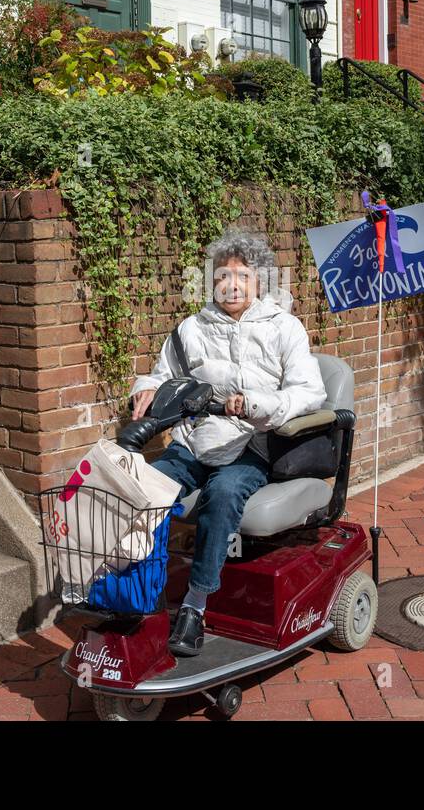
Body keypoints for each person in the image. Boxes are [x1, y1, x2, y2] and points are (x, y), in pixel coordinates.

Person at [129, 228, 326, 656]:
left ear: (260, 282)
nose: (231, 284)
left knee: (223, 492)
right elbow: (164, 374)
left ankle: (195, 606)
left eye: (242, 276)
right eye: (222, 275)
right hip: (195, 441)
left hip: (253, 444)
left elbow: (310, 391)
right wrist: (146, 388)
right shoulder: (190, 329)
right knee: (144, 489)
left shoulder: (283, 327)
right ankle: (139, 591)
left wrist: (257, 404)